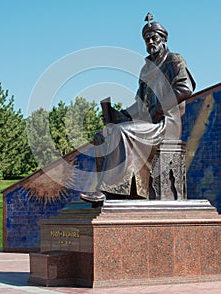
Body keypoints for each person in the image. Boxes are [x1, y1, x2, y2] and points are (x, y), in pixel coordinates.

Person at [80, 13, 196, 203]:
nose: (150, 41)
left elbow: (185, 87)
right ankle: (119, 191)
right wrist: (119, 115)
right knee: (103, 135)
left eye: (154, 37)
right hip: (146, 124)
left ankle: (110, 191)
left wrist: (160, 107)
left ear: (163, 39)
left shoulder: (174, 60)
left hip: (165, 124)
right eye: (147, 39)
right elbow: (140, 105)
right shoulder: (146, 69)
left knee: (120, 133)